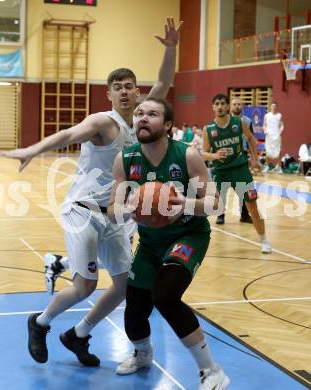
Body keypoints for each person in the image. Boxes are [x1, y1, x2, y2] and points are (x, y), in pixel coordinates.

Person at [1, 17, 182, 366]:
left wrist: (171, 49)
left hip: (115, 214)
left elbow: (164, 81)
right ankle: (40, 324)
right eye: (118, 86)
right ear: (109, 93)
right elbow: (68, 135)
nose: (125, 91)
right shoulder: (102, 122)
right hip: (82, 210)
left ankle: (79, 333)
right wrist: (31, 150)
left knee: (123, 286)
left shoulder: (144, 118)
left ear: (136, 91)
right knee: (84, 286)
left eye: (130, 85)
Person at [107, 97, 230, 390]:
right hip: (150, 242)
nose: (142, 118)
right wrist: (131, 205)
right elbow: (112, 210)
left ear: (168, 125)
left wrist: (182, 203)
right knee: (135, 306)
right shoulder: (125, 159)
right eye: (139, 113)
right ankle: (142, 354)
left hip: (188, 235)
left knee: (165, 296)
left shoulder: (187, 155)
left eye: (152, 114)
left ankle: (211, 371)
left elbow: (215, 204)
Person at [202, 93, 272, 254]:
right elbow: (203, 153)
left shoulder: (238, 123)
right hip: (221, 172)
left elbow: (252, 139)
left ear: (228, 106)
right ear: (213, 107)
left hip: (240, 170)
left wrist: (255, 159)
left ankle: (264, 240)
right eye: (216, 104)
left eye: (222, 103)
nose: (219, 106)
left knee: (252, 206)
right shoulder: (208, 129)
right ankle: (196, 238)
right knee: (212, 206)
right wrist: (214, 155)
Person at [230, 97, 253, 224]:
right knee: (222, 187)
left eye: (239, 104)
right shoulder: (224, 120)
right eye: (235, 104)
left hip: (242, 158)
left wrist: (253, 158)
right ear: (231, 106)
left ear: (242, 106)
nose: (237, 106)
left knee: (245, 188)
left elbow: (251, 140)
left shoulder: (248, 121)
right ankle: (220, 215)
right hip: (226, 159)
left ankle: (244, 215)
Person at [263, 102, 284, 174]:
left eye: (275, 106)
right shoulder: (266, 115)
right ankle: (267, 167)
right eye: (272, 106)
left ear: (276, 107)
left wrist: (280, 131)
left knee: (279, 151)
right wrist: (265, 131)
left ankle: (279, 167)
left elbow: (281, 125)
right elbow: (264, 125)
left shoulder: (279, 115)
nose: (274, 107)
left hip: (277, 136)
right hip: (269, 136)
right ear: (270, 107)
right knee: (268, 151)